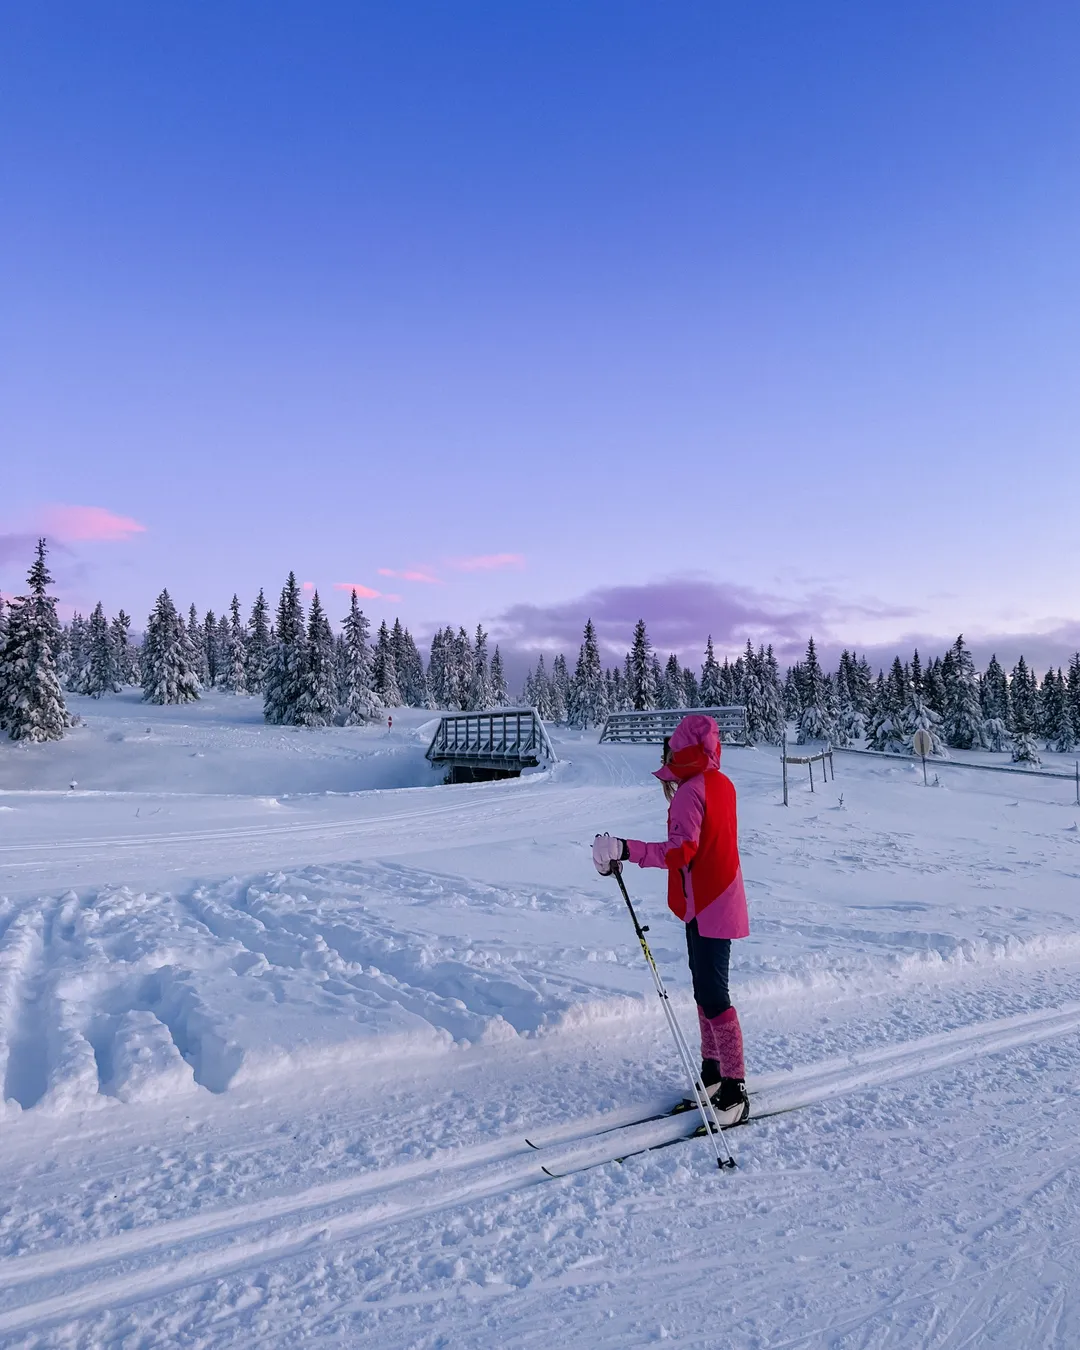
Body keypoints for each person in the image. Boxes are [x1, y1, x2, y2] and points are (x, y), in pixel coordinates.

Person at [592, 713, 750, 1126]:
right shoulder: (722, 784)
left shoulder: (689, 793)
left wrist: (627, 849)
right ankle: (713, 1073)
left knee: (713, 994)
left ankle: (734, 1087)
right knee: (705, 990)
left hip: (708, 905)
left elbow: (681, 852)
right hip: (720, 898)